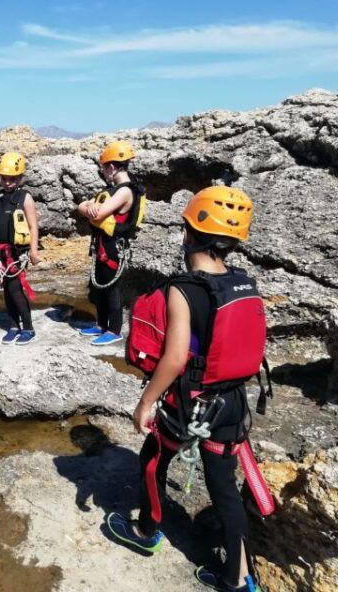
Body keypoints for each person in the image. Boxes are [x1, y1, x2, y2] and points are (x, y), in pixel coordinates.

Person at [110, 185, 269, 592]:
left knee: (153, 458)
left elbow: (176, 357)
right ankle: (237, 578)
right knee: (224, 489)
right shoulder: (244, 282)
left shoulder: (184, 288)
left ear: (188, 231)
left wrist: (146, 402)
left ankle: (146, 531)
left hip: (191, 404)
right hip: (232, 404)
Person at [76, 141, 145, 346]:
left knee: (112, 289)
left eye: (105, 168)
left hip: (114, 247)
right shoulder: (114, 190)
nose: (104, 172)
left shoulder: (124, 191)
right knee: (99, 288)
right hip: (103, 244)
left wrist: (87, 206)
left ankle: (114, 330)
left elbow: (99, 214)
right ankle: (101, 325)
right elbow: (87, 209)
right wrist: (86, 205)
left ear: (112, 167)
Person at [0, 152, 40, 345]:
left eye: (12, 179)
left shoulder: (25, 198)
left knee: (16, 289)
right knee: (7, 290)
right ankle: (13, 325)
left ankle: (28, 328)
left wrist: (33, 251)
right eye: (4, 178)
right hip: (0, 253)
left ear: (20, 178)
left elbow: (33, 226)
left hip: (16, 254)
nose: (7, 183)